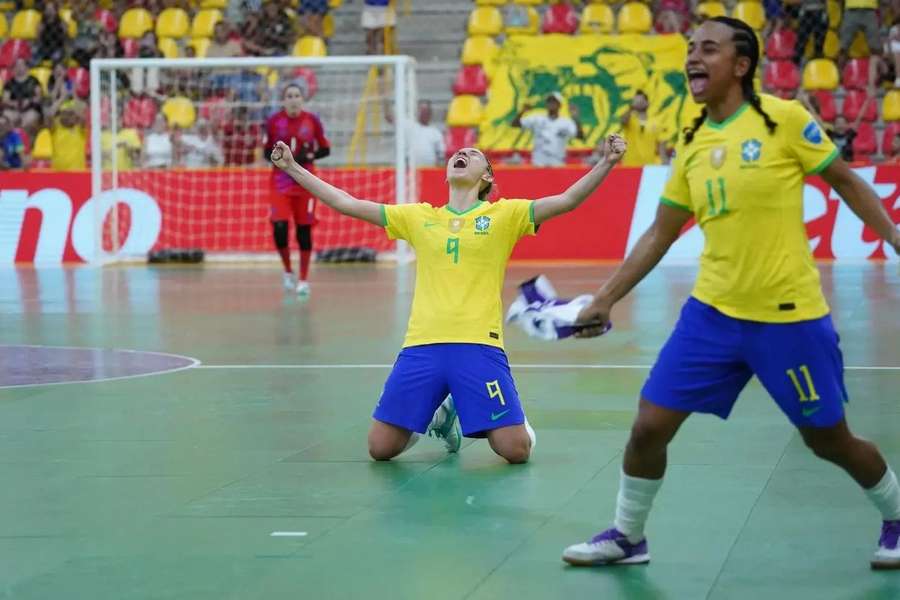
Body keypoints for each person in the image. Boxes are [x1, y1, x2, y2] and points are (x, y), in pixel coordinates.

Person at [562, 16, 900, 569]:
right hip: (712, 316)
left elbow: (844, 180)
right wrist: (605, 297)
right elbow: (662, 230)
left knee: (828, 439)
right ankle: (628, 536)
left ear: (741, 66)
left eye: (709, 50)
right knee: (649, 426)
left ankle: (897, 518)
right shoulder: (692, 140)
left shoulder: (784, 120)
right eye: (691, 49)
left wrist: (890, 233)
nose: (693, 58)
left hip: (789, 318)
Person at [270, 132, 627, 464]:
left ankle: (501, 413)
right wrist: (292, 167)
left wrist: (607, 161)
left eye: (473, 155)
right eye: (459, 153)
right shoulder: (418, 217)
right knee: (380, 448)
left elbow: (567, 200)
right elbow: (345, 202)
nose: (462, 154)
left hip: (478, 346)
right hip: (421, 345)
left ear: (487, 177)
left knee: (515, 451)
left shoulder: (504, 215)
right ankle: (441, 414)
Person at [264, 84, 331, 296]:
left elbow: (325, 149)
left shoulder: (312, 121)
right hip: (280, 183)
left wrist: (307, 157)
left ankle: (303, 279)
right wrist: (276, 158)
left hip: (305, 183)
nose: (293, 99)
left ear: (303, 99)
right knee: (280, 228)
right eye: (289, 95)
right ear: (283, 100)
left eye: (297, 95)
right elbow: (266, 151)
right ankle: (287, 270)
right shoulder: (274, 121)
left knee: (304, 230)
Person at [511, 92, 584, 167]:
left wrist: (576, 118)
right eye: (549, 101)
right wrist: (522, 111)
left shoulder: (566, 122)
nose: (551, 103)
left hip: (557, 163)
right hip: (538, 163)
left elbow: (580, 136)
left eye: (554, 101)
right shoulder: (537, 119)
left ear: (560, 105)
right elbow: (514, 124)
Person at [385, 99, 445, 167]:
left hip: (429, 170)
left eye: (426, 111)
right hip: (411, 170)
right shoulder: (408, 125)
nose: (424, 114)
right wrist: (385, 98)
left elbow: (441, 154)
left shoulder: (436, 132)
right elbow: (389, 117)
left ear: (430, 113)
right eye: (422, 111)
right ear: (417, 112)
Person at [618, 90, 667, 167]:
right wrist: (631, 108)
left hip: (650, 166)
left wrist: (664, 163)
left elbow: (661, 145)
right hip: (629, 165)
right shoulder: (630, 119)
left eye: (641, 100)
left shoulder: (656, 122)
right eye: (636, 100)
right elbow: (623, 121)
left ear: (647, 103)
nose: (638, 102)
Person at [2, 58, 44, 138]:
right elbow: (5, 100)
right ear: (13, 68)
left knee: (28, 118)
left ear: (26, 67)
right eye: (17, 65)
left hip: (31, 109)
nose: (19, 67)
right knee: (4, 118)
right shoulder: (9, 83)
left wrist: (29, 101)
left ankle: (22, 142)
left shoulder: (34, 81)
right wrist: (13, 103)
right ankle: (10, 141)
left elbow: (39, 97)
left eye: (21, 65)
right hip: (14, 109)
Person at [48, 99, 86, 171]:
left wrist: (75, 97)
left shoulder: (80, 130)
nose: (70, 116)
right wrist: (62, 98)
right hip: (58, 173)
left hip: (78, 173)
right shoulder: (56, 129)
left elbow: (83, 117)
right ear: (61, 116)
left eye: (72, 114)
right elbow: (49, 115)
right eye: (67, 114)